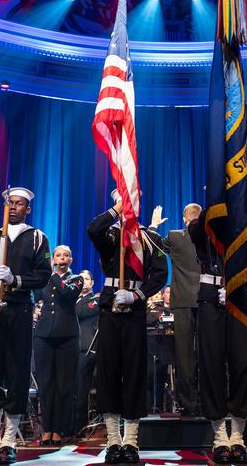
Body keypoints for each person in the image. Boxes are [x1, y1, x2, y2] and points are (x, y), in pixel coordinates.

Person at [88, 191, 168, 464]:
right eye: (124, 200)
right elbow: (92, 229)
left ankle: (131, 441)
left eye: (131, 201)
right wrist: (116, 210)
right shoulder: (111, 234)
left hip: (133, 309)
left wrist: (137, 295)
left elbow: (160, 273)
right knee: (108, 372)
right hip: (110, 308)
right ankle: (112, 440)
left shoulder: (149, 237)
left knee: (134, 371)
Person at [0, 187, 51, 465]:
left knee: (17, 372)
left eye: (20, 204)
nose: (14, 207)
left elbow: (43, 275)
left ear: (27, 208)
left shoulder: (37, 239)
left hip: (20, 310)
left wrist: (15, 280)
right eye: (11, 203)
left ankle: (9, 441)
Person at [188, 208, 247, 464]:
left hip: (239, 301)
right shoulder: (204, 228)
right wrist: (213, 204)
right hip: (211, 301)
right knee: (211, 366)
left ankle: (238, 437)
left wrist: (237, 288)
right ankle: (220, 436)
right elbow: (195, 232)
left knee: (243, 364)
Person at [149, 203, 202, 417]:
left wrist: (153, 226)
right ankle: (210, 402)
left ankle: (188, 405)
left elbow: (153, 243)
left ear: (183, 219)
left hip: (181, 302)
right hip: (208, 300)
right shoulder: (210, 235)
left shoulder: (175, 236)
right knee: (209, 354)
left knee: (185, 355)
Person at [34, 245, 83, 446]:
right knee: (46, 385)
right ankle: (47, 428)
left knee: (64, 385)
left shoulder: (76, 278)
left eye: (66, 255)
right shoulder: (44, 279)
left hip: (67, 336)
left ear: (70, 260)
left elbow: (67, 295)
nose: (62, 258)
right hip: (44, 335)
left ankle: (60, 429)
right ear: (53, 258)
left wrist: (53, 274)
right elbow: (34, 297)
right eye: (58, 255)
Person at [74, 270, 100, 434]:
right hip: (70, 347)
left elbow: (81, 312)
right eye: (80, 279)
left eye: (86, 279)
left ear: (91, 282)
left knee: (80, 390)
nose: (83, 281)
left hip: (86, 348)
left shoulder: (95, 299)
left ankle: (79, 426)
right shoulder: (73, 299)